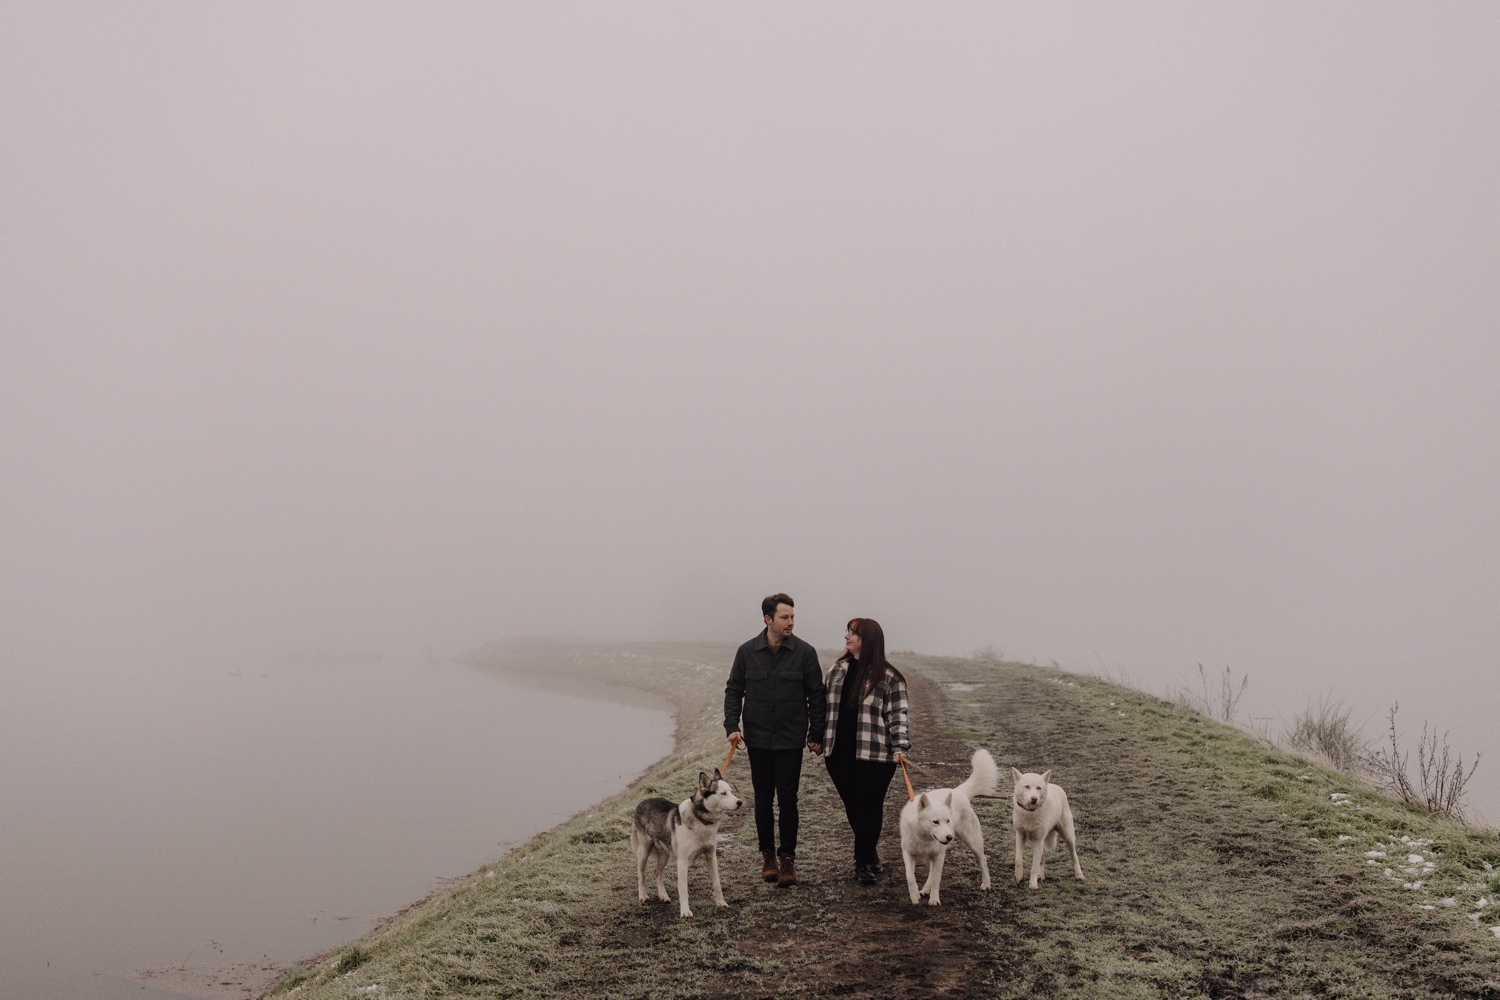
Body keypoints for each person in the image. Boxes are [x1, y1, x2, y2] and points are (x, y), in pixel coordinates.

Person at [724, 592, 827, 888]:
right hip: (756, 740)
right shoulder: (746, 652)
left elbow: (816, 697)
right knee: (763, 802)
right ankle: (767, 858)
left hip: (790, 741)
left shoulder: (805, 653)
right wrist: (732, 726)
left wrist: (815, 734)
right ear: (768, 619)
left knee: (788, 801)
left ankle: (788, 860)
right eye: (785, 617)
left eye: (793, 617)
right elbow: (733, 691)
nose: (791, 622)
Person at [821, 617, 910, 885]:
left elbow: (899, 716)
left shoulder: (889, 678)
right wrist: (815, 737)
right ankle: (869, 852)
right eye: (847, 632)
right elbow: (822, 708)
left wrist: (900, 747)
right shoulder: (836, 671)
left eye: (853, 634)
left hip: (876, 755)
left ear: (867, 641)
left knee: (869, 806)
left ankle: (862, 863)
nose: (847, 637)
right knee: (853, 806)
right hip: (838, 754)